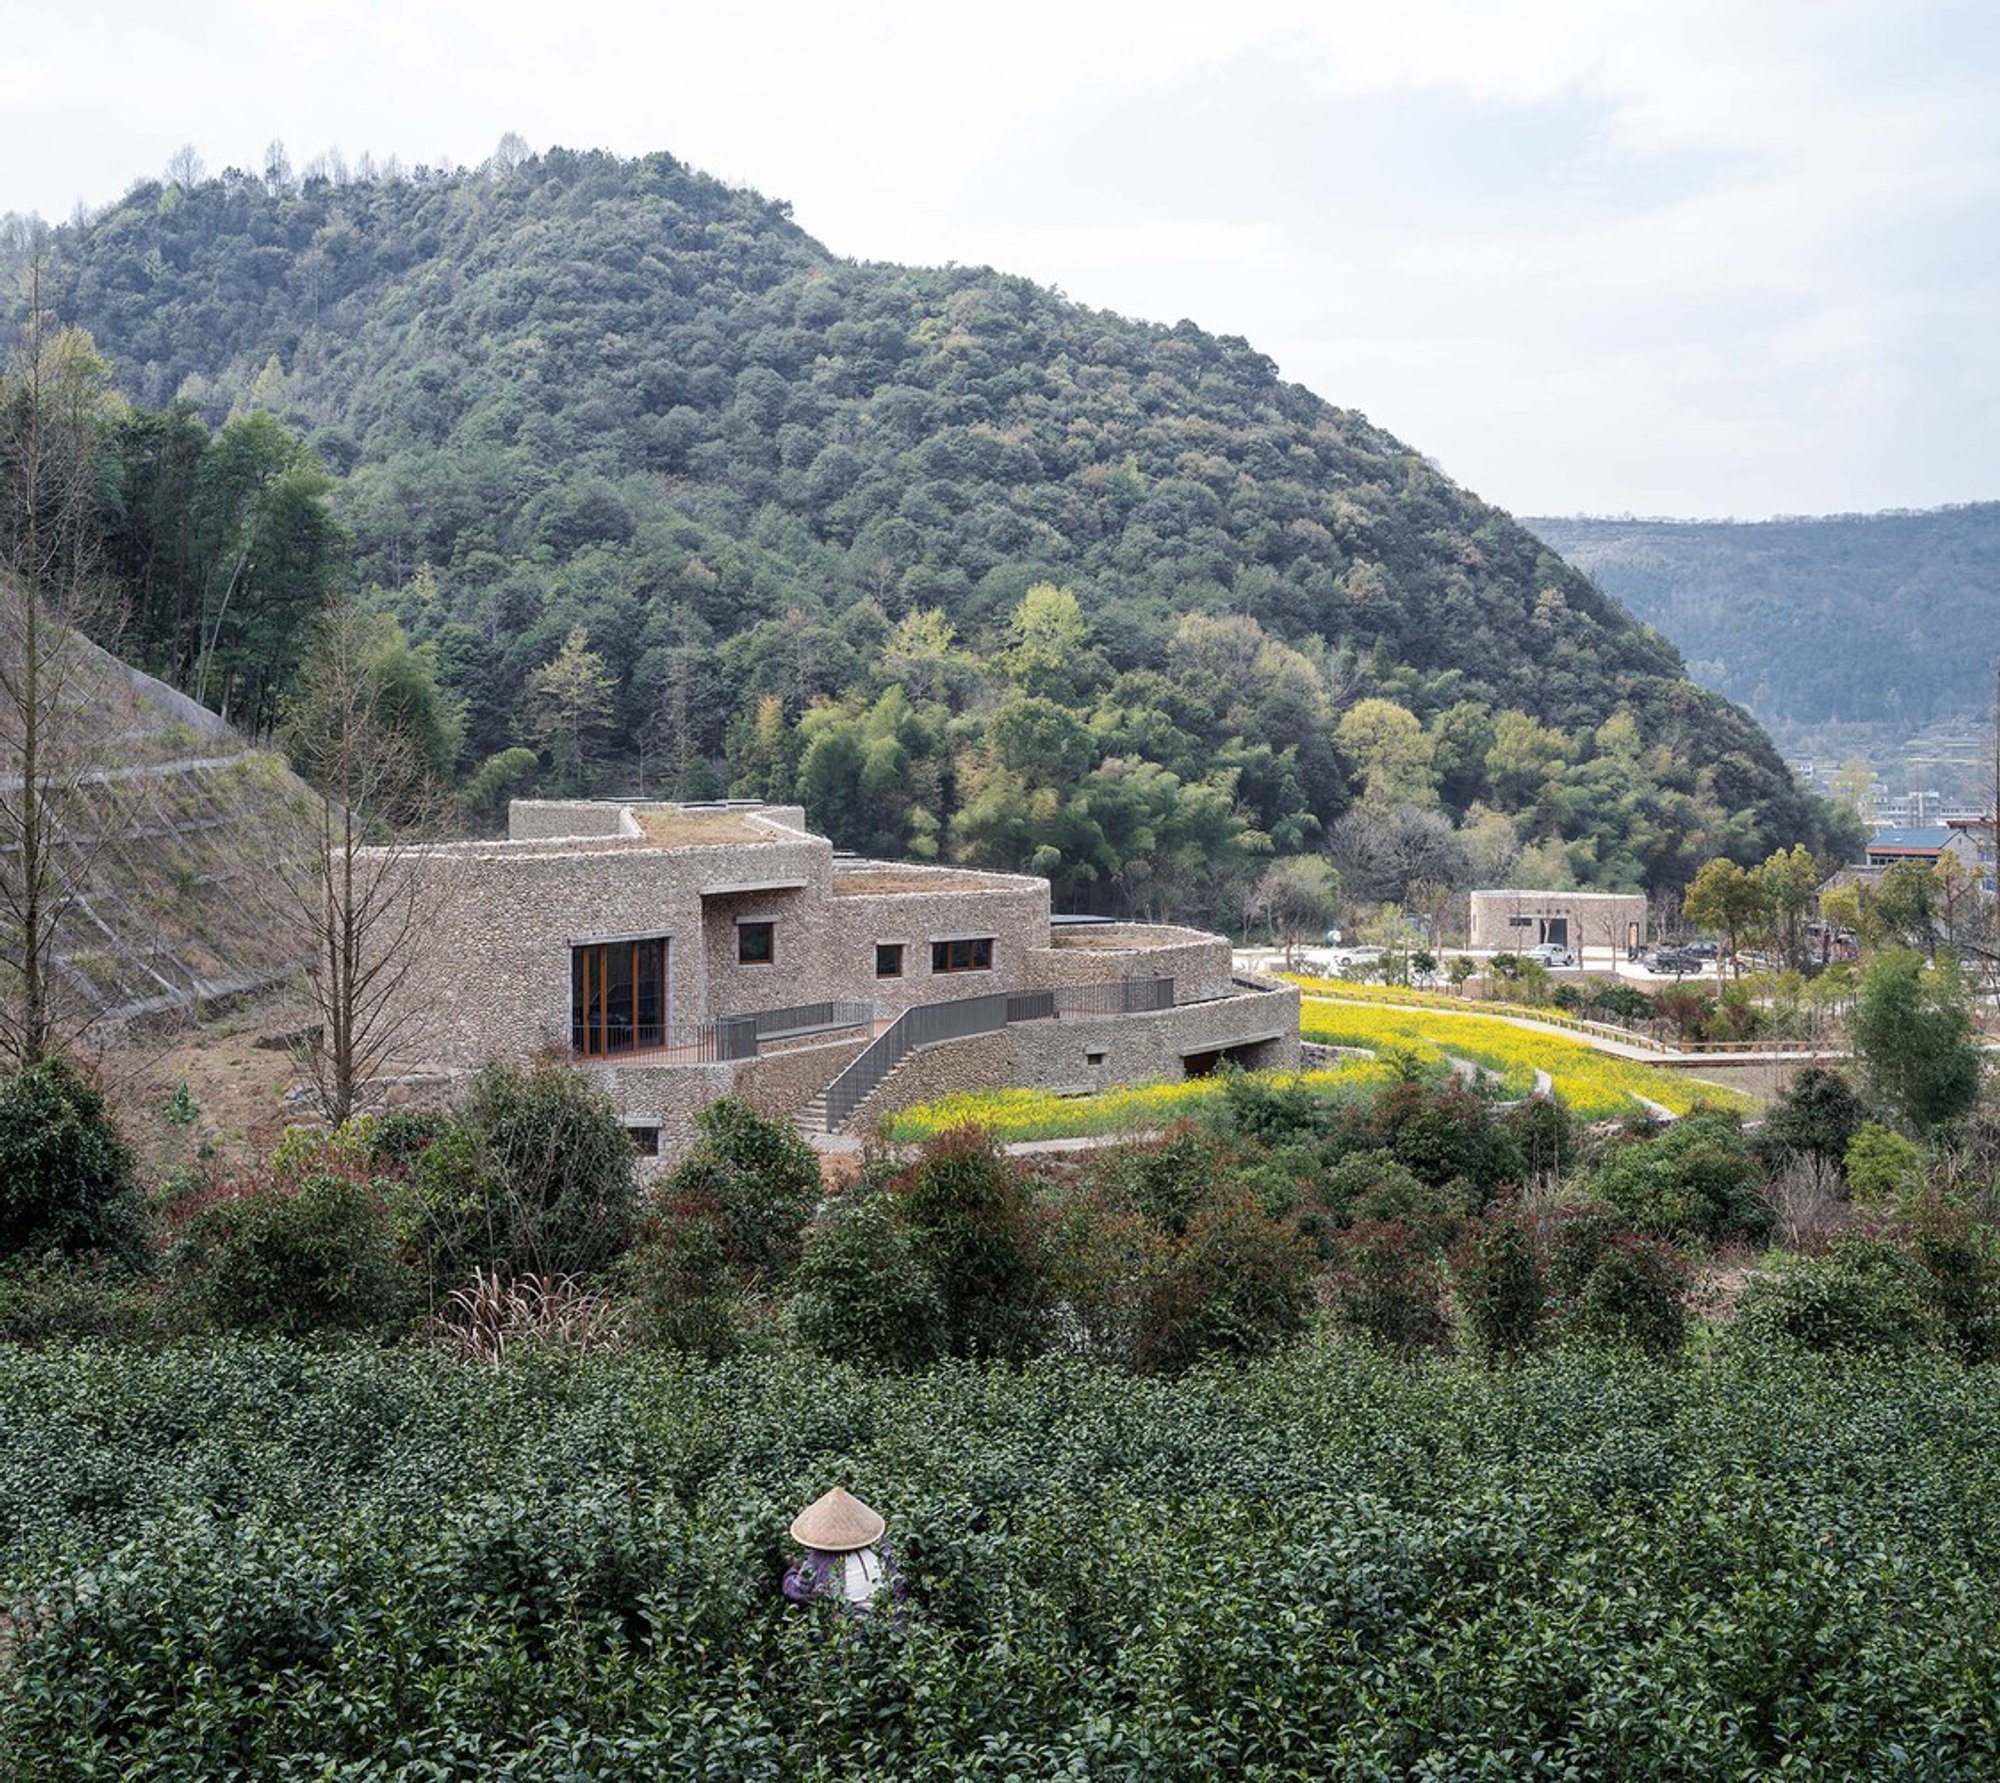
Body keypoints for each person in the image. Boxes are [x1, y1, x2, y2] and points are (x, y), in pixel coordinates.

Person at [782, 1486, 901, 1611]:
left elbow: (796, 1591)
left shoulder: (821, 1557)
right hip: (891, 1614)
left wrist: (791, 1571)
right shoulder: (880, 1545)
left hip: (852, 1621)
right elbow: (897, 1583)